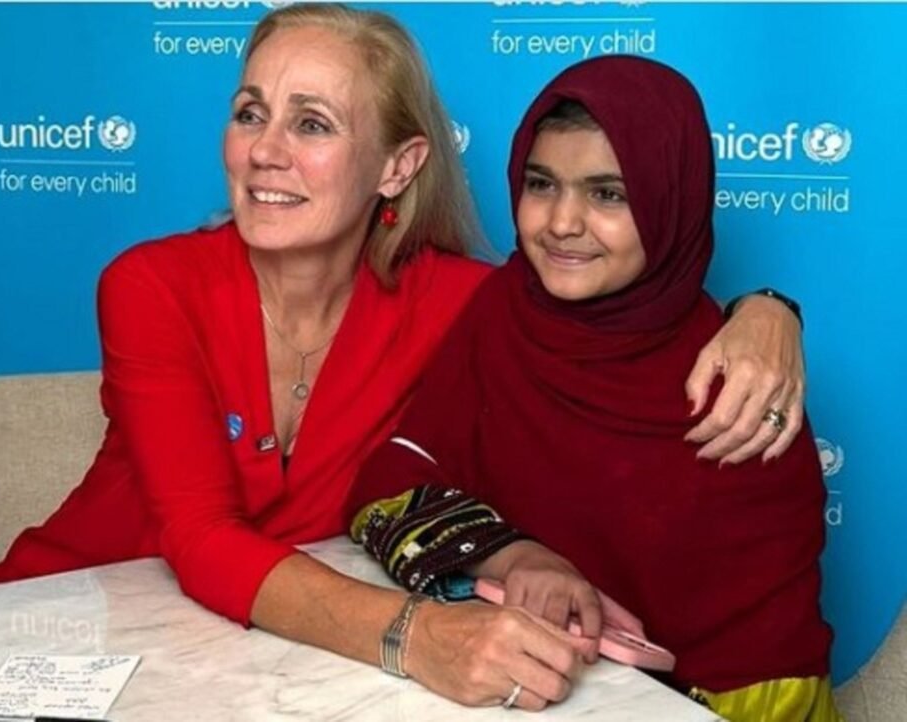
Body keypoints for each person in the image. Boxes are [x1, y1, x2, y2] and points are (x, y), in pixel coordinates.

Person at [0, 3, 807, 710]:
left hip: (266, 672)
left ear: (398, 166)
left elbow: (615, 301)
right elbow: (201, 536)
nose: (264, 150)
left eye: (313, 123)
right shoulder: (149, 285)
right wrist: (419, 637)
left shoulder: (467, 306)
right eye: (251, 112)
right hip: (65, 628)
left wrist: (765, 310)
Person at [347, 55, 840, 720]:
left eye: (609, 194)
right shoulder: (503, 313)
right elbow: (389, 485)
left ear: (671, 200)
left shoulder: (743, 383)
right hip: (517, 689)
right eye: (541, 184)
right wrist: (520, 558)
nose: (562, 223)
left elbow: (767, 669)